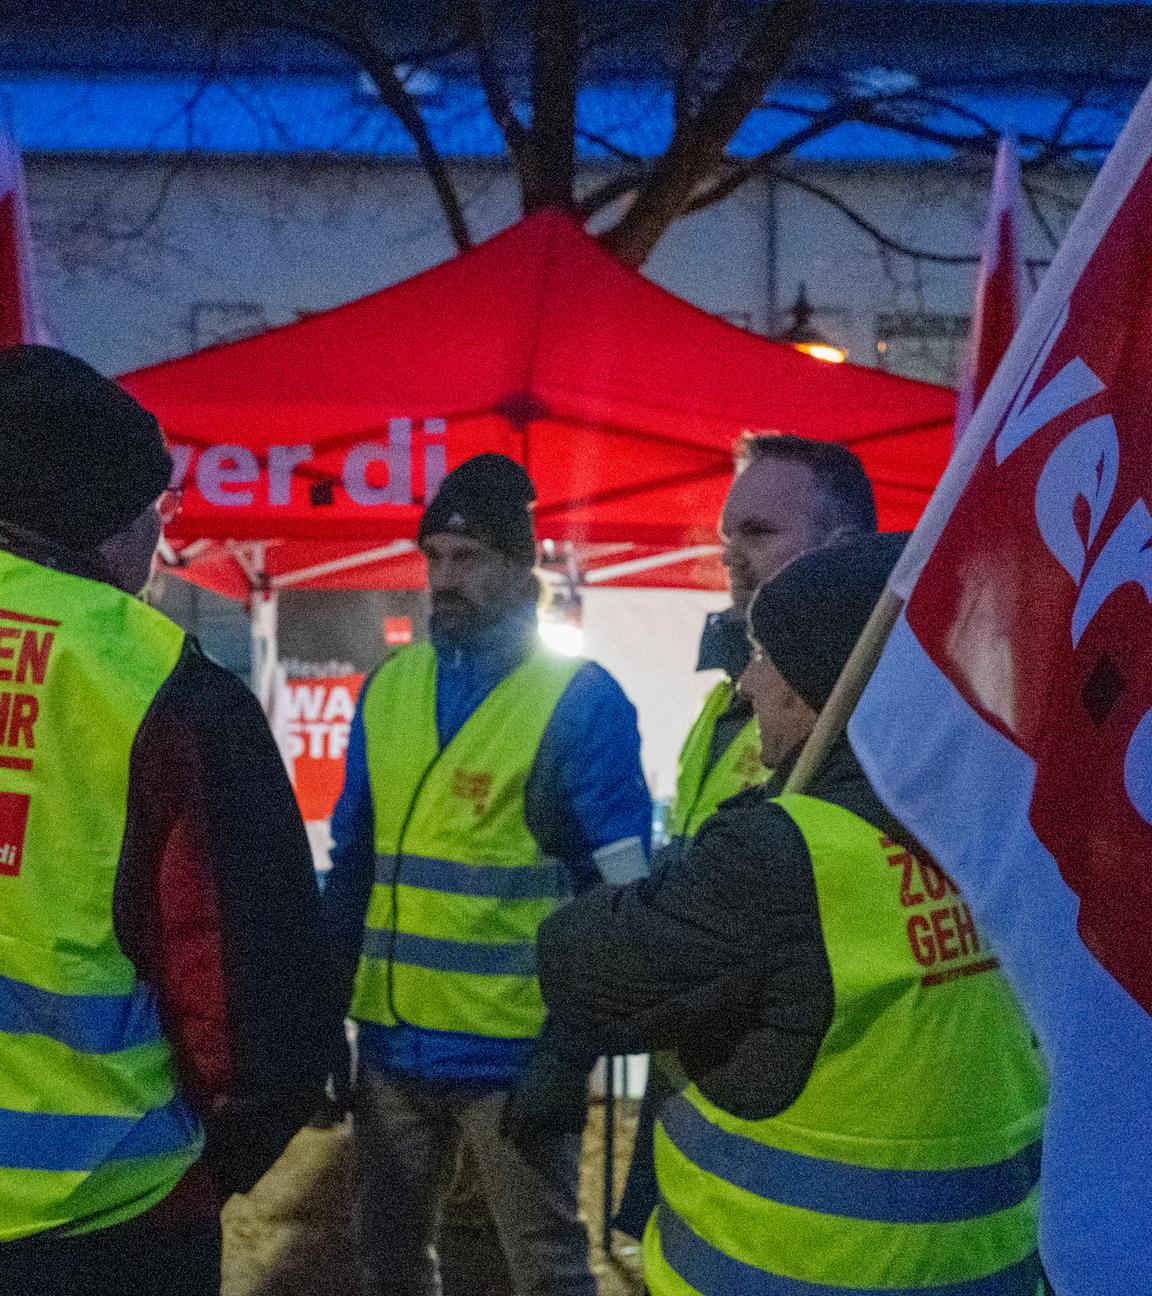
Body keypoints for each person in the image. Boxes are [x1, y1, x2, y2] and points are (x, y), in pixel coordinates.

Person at [538, 532, 1049, 1295]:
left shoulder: (783, 853)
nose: (745, 683)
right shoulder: (1010, 825)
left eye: (765, 656)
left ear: (818, 685)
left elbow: (581, 969)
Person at [0, 345, 330, 1295]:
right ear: (105, 520)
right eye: (159, 507)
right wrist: (222, 1161)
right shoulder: (160, 686)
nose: (163, 534)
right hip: (105, 1218)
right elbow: (246, 982)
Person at [323, 452, 651, 1296]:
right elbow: (353, 866)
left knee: (541, 1269)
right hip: (392, 1046)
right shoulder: (390, 688)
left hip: (515, 1057)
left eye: (466, 559)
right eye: (432, 558)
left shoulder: (581, 701)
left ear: (520, 564)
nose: (443, 578)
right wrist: (325, 1013)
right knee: (389, 1262)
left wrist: (570, 1048)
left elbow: (623, 906)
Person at [613, 431, 879, 1239]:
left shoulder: (874, 716)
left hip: (815, 1134)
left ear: (844, 548)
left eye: (759, 534)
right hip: (708, 1108)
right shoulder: (732, 694)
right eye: (727, 537)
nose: (731, 557)